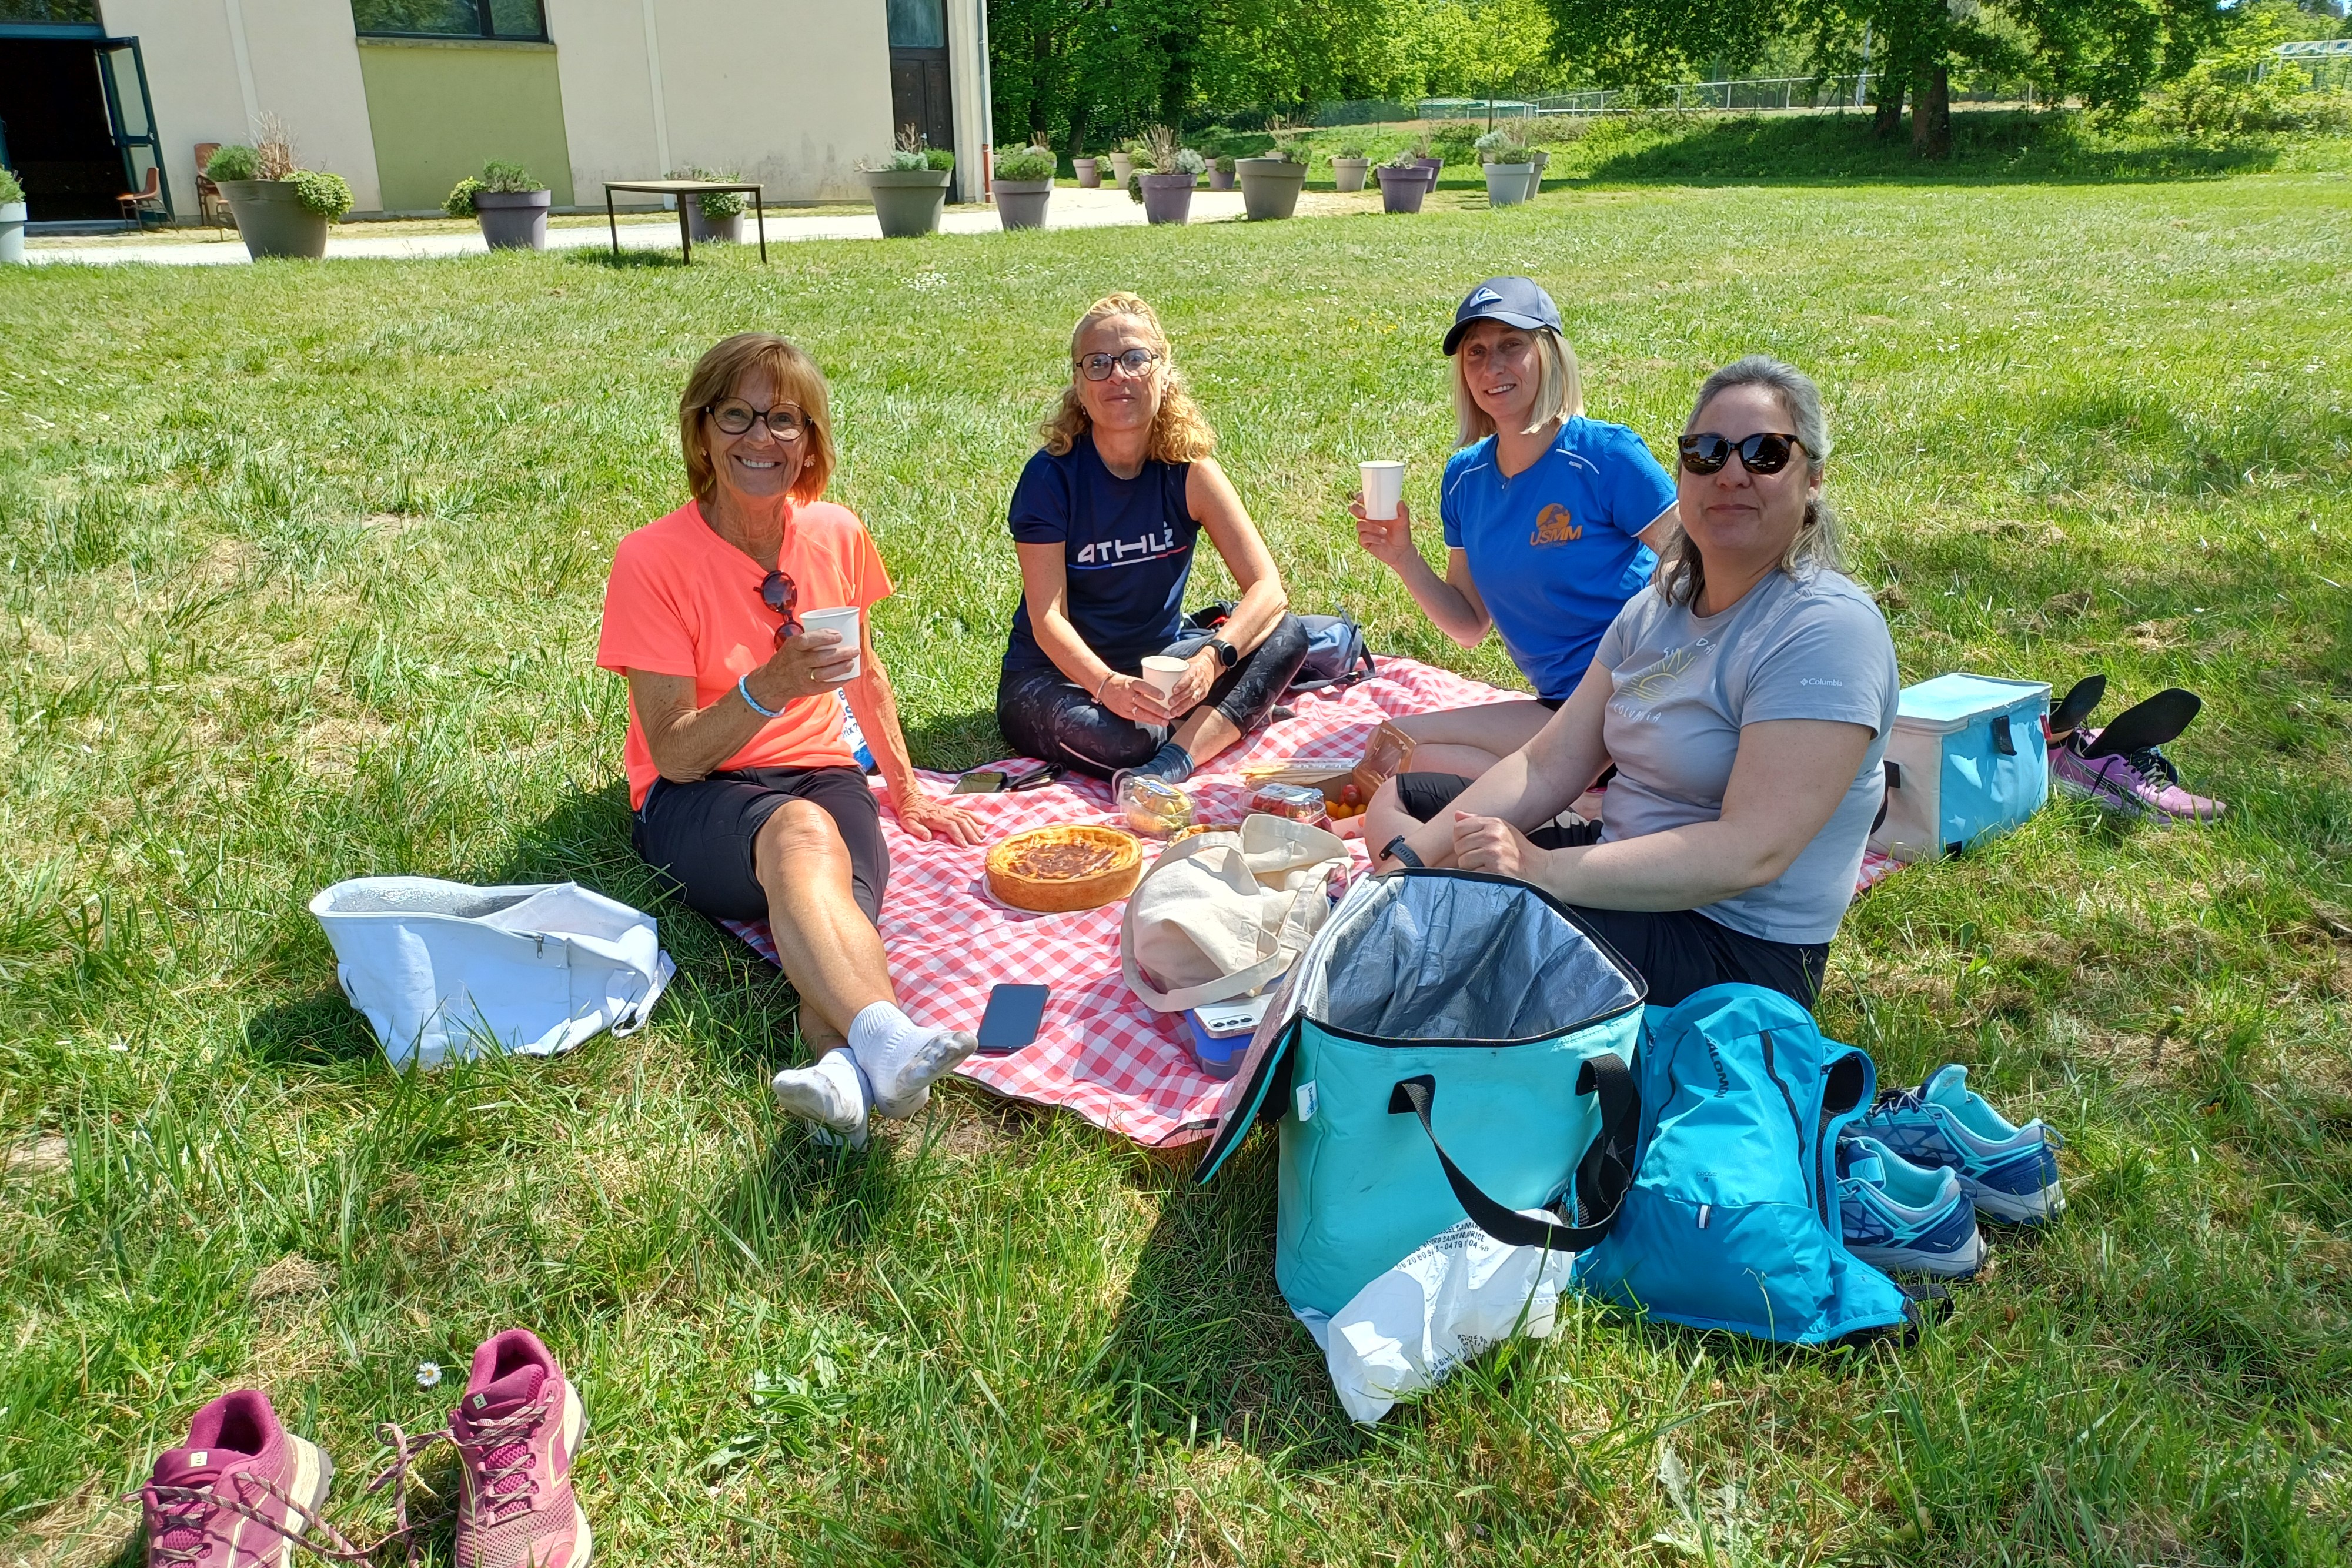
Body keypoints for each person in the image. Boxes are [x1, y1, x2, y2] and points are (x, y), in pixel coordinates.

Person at [1362, 356, 1898, 1010]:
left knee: (1451, 940)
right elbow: (1549, 761)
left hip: (1729, 948)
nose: (1731, 473)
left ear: (1812, 478)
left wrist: (1541, 871)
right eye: (1706, 452)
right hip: (1615, 867)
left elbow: (1749, 852)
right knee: (1410, 807)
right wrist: (1406, 865)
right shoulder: (1657, 607)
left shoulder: (1824, 629)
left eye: (1765, 453)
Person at [597, 332, 984, 1148]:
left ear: (810, 440)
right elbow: (675, 753)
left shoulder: (836, 532)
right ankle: (890, 1039)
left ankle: (844, 1076)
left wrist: (907, 792)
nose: (760, 437)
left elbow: (866, 672)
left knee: (833, 917)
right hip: (696, 794)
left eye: (783, 418)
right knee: (804, 838)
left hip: (822, 772)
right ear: (702, 432)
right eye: (736, 415)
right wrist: (768, 686)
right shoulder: (651, 559)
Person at [1351, 276, 1679, 780]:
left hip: (1638, 702)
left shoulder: (1606, 455)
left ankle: (1574, 798)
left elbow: (1696, 566)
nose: (1492, 367)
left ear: (1550, 354)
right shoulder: (1465, 478)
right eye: (1476, 352)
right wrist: (1404, 559)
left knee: (1419, 765)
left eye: (1511, 345)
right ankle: (1570, 799)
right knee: (1392, 746)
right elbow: (1469, 625)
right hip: (1561, 709)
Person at [997, 291, 1309, 790]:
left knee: (1288, 634)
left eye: (1135, 359)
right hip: (1054, 677)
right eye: (1098, 363)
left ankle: (1174, 761)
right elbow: (1047, 619)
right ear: (1079, 386)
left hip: (1160, 667)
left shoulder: (1191, 471)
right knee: (1130, 740)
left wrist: (1212, 660)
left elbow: (1268, 589)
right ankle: (1216, 724)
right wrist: (1107, 685)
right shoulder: (1050, 478)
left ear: (1164, 373)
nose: (1118, 375)